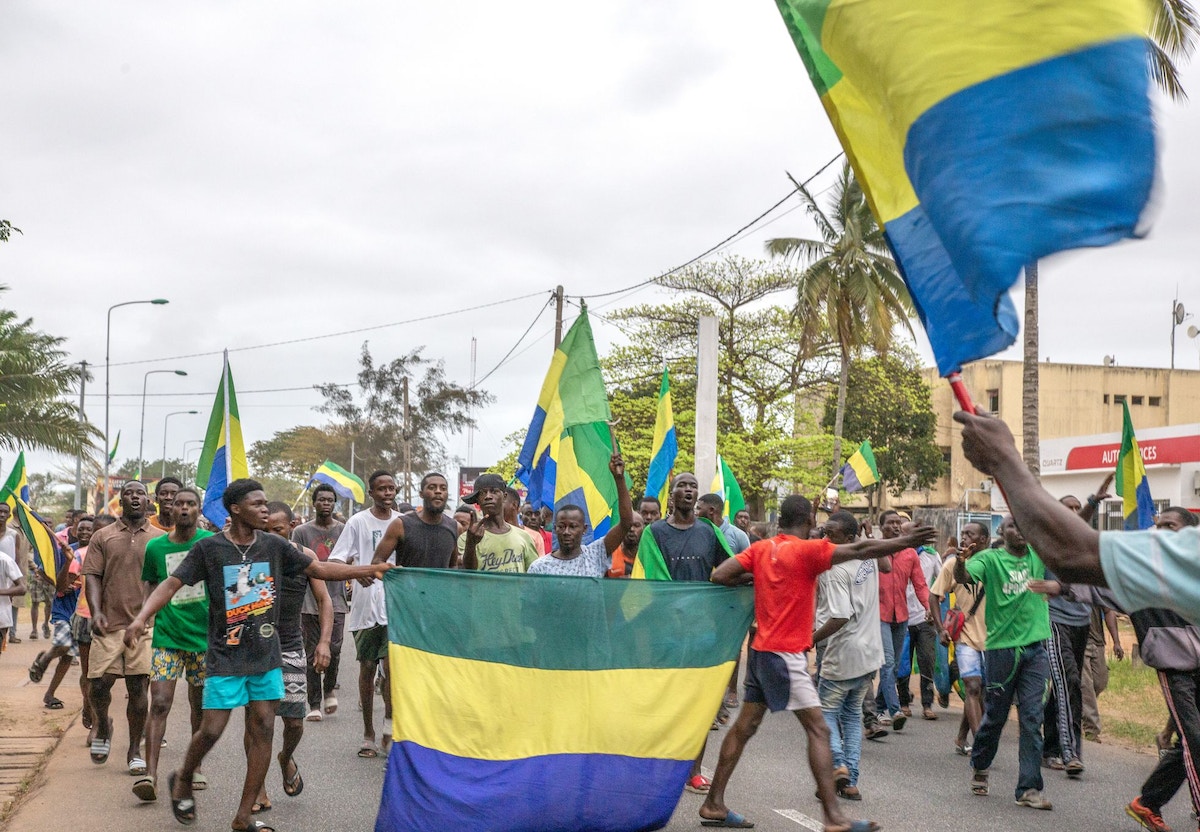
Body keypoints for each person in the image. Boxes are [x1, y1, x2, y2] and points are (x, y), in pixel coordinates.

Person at [123, 478, 391, 832]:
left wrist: (367, 569)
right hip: (225, 656)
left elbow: (320, 569)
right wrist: (141, 618)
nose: (265, 509)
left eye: (266, 503)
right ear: (236, 509)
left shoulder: (274, 546)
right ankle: (184, 777)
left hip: (266, 654)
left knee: (264, 727)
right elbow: (171, 584)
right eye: (257, 504)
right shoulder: (209, 549)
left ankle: (244, 815)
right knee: (211, 729)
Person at [702, 495, 935, 830]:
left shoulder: (762, 549)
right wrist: (905, 541)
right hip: (785, 655)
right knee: (819, 729)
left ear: (781, 520)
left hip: (761, 651)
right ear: (810, 520)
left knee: (744, 728)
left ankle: (713, 803)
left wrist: (755, 579)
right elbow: (860, 549)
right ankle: (833, 817)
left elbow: (720, 575)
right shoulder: (807, 551)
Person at [954, 407, 1200, 622]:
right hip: (1026, 635)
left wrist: (1003, 459)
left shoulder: (1038, 551)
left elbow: (1070, 546)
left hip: (1070, 626)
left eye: (1170, 527)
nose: (1161, 533)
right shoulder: (995, 557)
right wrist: (960, 562)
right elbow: (1069, 543)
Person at [636, 472, 731, 795]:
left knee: (700, 705)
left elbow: (730, 568)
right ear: (672, 495)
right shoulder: (654, 533)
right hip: (665, 632)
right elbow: (650, 582)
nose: (688, 490)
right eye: (682, 486)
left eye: (693, 486)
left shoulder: (709, 531)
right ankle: (659, 765)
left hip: (701, 632)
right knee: (665, 703)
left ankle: (695, 772)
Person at [954, 516, 1053, 809]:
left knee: (1032, 719)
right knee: (996, 715)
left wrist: (1093, 503)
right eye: (1012, 526)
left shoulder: (1037, 554)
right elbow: (963, 577)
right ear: (1002, 531)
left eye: (1023, 525)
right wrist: (960, 561)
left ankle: (1029, 789)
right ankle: (980, 764)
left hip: (1035, 649)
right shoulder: (989, 559)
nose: (1019, 531)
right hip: (1001, 651)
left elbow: (1064, 532)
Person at [1119, 506, 1200, 832]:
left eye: (1170, 525)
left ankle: (1148, 803)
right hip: (1173, 666)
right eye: (1159, 525)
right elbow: (1101, 583)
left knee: (1188, 743)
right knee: (1195, 740)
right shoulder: (1143, 570)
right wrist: (1063, 587)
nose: (1161, 531)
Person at [252, 502, 335, 814]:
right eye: (265, 531)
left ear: (292, 526)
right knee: (258, 723)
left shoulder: (305, 556)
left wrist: (323, 642)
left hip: (290, 645)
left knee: (294, 722)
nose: (271, 536)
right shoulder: (251, 556)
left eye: (277, 530)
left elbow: (324, 600)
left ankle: (285, 757)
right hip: (256, 648)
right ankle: (258, 789)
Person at [82, 480, 166, 772]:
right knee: (98, 684)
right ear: (121, 501)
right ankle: (104, 726)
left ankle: (134, 750)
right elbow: (92, 576)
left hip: (145, 626)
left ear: (148, 500)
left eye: (139, 493)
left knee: (138, 687)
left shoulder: (159, 539)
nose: (134, 497)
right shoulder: (103, 536)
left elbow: (167, 582)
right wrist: (95, 612)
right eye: (128, 493)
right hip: (109, 622)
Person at [135, 489, 211, 802]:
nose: (184, 508)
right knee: (160, 702)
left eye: (190, 504)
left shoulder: (210, 543)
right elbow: (152, 584)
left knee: (199, 705)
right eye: (179, 503)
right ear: (171, 509)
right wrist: (144, 617)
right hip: (167, 636)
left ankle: (195, 768)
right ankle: (150, 776)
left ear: (199, 509)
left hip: (204, 639)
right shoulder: (156, 547)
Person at [327, 470, 400, 759]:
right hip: (366, 607)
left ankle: (389, 728)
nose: (387, 493)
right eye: (381, 489)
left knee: (393, 670)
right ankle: (368, 733)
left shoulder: (402, 522)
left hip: (395, 606)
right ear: (371, 493)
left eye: (391, 488)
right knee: (367, 668)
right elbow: (336, 559)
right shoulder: (358, 522)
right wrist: (357, 573)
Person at [814, 510, 886, 801]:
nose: (825, 538)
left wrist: (810, 639)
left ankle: (838, 765)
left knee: (825, 714)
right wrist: (870, 538)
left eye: (832, 534)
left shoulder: (835, 569)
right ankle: (851, 782)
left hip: (844, 652)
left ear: (849, 538)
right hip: (870, 652)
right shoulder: (868, 559)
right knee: (852, 716)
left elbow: (840, 616)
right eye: (824, 532)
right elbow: (885, 562)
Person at [930, 521, 989, 756]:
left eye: (969, 534)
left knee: (983, 691)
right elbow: (934, 595)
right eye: (962, 533)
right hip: (965, 636)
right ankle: (982, 747)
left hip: (994, 638)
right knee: (973, 686)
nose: (963, 538)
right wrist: (940, 628)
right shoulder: (952, 564)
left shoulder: (994, 563)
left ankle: (962, 736)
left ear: (984, 539)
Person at [290, 483, 346, 722]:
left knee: (334, 647)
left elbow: (351, 557)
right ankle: (314, 703)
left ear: (335, 503)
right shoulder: (301, 531)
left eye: (330, 500)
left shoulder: (344, 529)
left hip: (337, 598)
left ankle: (329, 688)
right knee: (311, 650)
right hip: (308, 600)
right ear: (314, 503)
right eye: (321, 499)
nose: (326, 503)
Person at [28, 514, 93, 711]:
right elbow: (45, 574)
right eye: (81, 529)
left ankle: (49, 694)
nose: (84, 532)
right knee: (64, 645)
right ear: (74, 530)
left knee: (67, 657)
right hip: (64, 608)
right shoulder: (66, 551)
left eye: (89, 529)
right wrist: (61, 580)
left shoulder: (98, 553)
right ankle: (46, 658)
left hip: (84, 611)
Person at [529, 454, 632, 577]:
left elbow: (626, 523)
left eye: (573, 526)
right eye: (561, 526)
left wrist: (619, 479)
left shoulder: (595, 554)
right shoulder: (539, 568)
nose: (566, 532)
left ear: (584, 529)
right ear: (555, 528)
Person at [874, 510, 929, 731]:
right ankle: (895, 710)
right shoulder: (874, 550)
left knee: (894, 666)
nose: (896, 526)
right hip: (879, 615)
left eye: (898, 523)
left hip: (902, 616)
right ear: (881, 527)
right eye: (891, 523)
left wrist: (928, 607)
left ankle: (878, 708)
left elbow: (920, 584)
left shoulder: (910, 554)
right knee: (887, 662)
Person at [373, 472, 460, 571]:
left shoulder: (454, 527)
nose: (438, 491)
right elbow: (377, 562)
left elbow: (453, 565)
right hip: (407, 581)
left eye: (443, 488)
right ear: (421, 494)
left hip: (441, 582)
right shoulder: (400, 525)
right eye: (432, 488)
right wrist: (394, 571)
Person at [897, 521, 940, 720]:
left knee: (927, 660)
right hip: (901, 618)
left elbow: (941, 581)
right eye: (906, 533)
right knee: (902, 661)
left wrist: (935, 603)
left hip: (925, 617)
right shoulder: (896, 554)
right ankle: (903, 702)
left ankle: (927, 704)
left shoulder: (931, 555)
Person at [459, 474, 539, 574]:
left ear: (504, 496)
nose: (488, 496)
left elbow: (534, 574)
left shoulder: (524, 537)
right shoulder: (466, 538)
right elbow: (467, 573)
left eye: (494, 491)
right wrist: (471, 543)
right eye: (482, 493)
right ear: (477, 500)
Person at [0, 503, 29, 644]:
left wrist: (13, 585)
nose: (1, 514)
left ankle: (9, 634)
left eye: (4, 512)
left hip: (8, 579)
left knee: (7, 609)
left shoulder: (13, 535)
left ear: (9, 515)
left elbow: (16, 560)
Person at [504, 487, 544, 556]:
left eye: (501, 502)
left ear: (514, 505)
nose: (533, 517)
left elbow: (539, 561)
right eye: (528, 514)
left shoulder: (535, 537)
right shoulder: (489, 533)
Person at [606, 512, 643, 578]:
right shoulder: (610, 552)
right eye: (627, 525)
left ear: (644, 528)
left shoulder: (648, 556)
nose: (631, 529)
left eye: (636, 525)